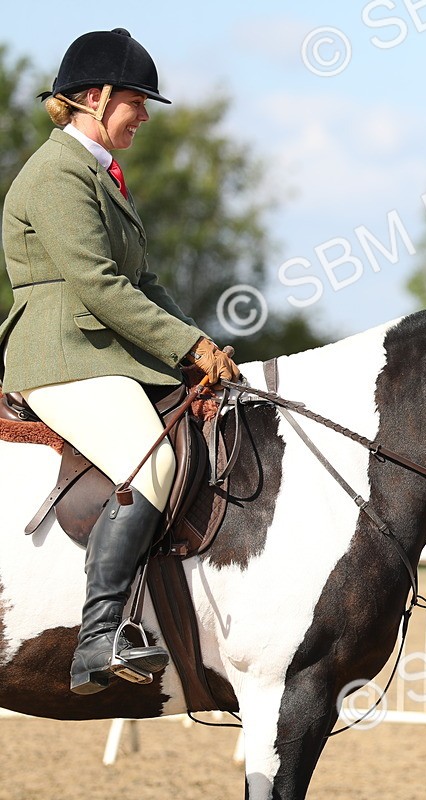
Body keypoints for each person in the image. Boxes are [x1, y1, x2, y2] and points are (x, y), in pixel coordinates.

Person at [0, 28, 240, 695]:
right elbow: (99, 285)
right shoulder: (54, 174)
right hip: (61, 354)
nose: (142, 116)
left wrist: (201, 345)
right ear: (97, 97)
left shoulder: (99, 174)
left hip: (105, 351)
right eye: (136, 101)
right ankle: (99, 636)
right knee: (150, 458)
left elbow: (145, 282)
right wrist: (182, 348)